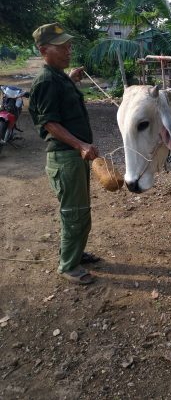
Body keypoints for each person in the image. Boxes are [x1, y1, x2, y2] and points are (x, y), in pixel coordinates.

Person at [29, 22, 100, 285]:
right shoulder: (47, 80)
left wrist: (70, 79)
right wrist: (80, 145)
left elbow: (58, 101)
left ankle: (76, 253)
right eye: (62, 46)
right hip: (67, 157)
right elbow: (50, 122)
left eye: (69, 45)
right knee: (75, 213)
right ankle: (69, 266)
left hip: (73, 157)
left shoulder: (57, 76)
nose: (69, 50)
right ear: (43, 50)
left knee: (79, 210)